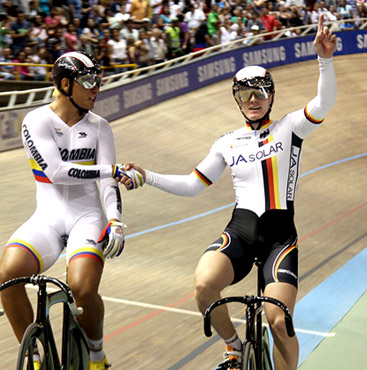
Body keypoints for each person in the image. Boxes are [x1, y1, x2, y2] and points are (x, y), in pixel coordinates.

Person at [120, 15, 337, 370]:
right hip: (239, 231)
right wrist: (148, 176)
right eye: (244, 93)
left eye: (260, 92)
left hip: (279, 239)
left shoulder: (290, 127)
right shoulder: (227, 142)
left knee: (279, 321)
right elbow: (193, 184)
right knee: (204, 285)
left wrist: (324, 60)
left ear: (270, 95)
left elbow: (324, 103)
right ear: (237, 99)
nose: (253, 100)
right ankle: (233, 348)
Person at [0, 51, 132, 370]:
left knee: (82, 289)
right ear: (64, 84)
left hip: (86, 218)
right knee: (6, 274)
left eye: (97, 81)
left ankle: (97, 355)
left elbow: (107, 185)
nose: (95, 88)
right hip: (46, 217)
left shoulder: (100, 126)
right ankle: (33, 357)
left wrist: (114, 219)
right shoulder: (36, 120)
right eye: (87, 81)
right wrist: (111, 169)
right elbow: (57, 172)